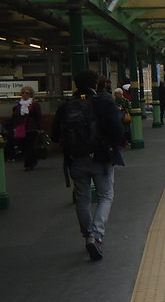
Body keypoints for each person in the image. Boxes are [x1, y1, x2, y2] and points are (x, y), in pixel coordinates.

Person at [52, 69, 125, 261]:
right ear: (96, 84)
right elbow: (117, 130)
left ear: (75, 84)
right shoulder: (104, 101)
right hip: (101, 157)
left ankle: (88, 235)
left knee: (82, 198)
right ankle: (96, 235)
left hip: (75, 159)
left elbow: (54, 135)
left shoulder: (66, 106)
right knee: (105, 195)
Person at [9, 86, 43, 171]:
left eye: (27, 93)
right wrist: (15, 127)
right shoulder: (19, 104)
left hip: (32, 128)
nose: (25, 95)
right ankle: (30, 161)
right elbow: (16, 117)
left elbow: (38, 116)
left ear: (30, 94)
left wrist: (40, 128)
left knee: (30, 146)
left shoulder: (34, 104)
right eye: (23, 93)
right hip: (22, 128)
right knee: (24, 146)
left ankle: (29, 163)